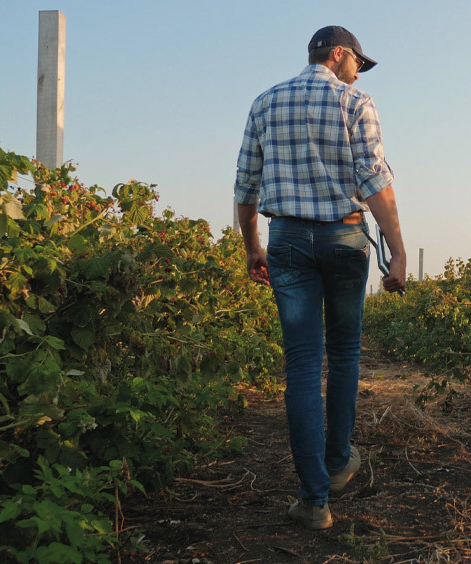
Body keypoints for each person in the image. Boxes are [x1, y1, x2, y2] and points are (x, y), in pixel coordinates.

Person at [234, 25, 406, 529]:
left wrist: (252, 248)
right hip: (345, 237)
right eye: (358, 62)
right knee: (345, 350)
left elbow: (246, 183)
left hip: (287, 240)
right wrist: (396, 252)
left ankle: (314, 502)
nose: (359, 73)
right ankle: (336, 464)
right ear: (338, 55)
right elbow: (375, 178)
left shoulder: (265, 102)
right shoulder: (356, 102)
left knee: (304, 366)